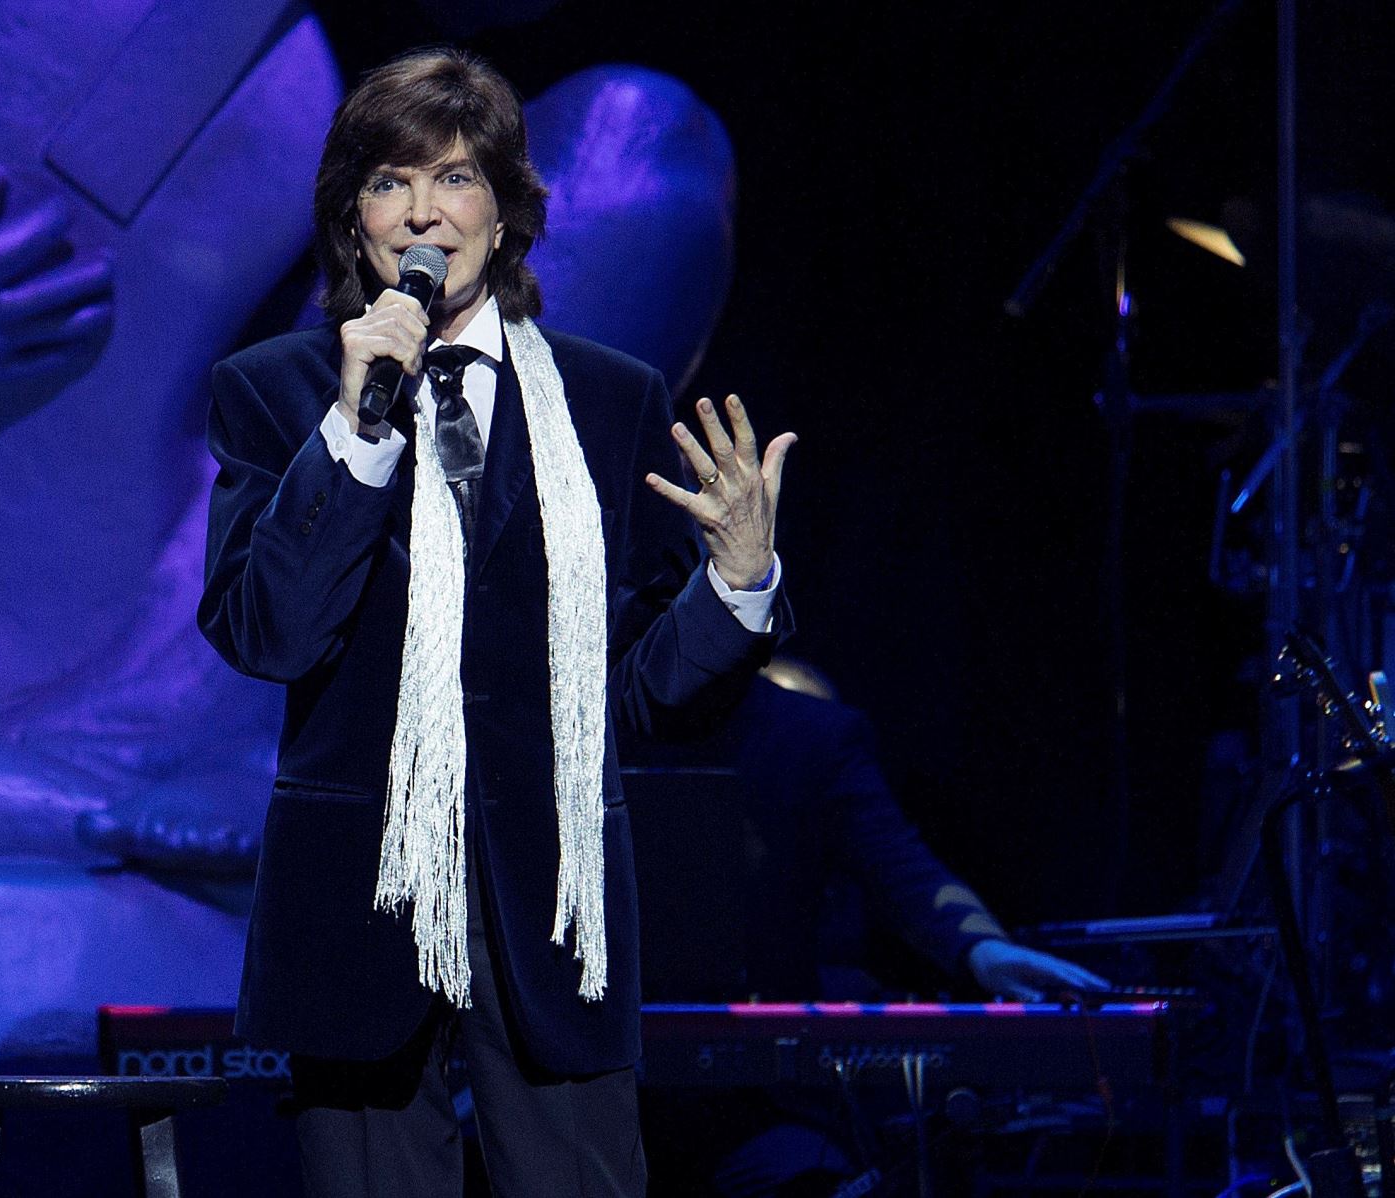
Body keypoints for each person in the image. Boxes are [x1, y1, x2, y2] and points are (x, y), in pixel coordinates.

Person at [197, 47, 796, 1197]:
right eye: (388, 182)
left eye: (456, 177)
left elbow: (642, 691)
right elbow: (267, 632)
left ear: (508, 211)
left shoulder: (610, 400)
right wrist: (358, 431)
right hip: (358, 905)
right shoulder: (277, 394)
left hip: (551, 912)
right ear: (351, 219)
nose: (423, 210)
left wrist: (737, 584)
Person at [625, 658, 1108, 1194]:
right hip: (596, 1086)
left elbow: (901, 866)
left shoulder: (809, 733)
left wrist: (981, 947)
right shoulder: (584, 714)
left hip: (760, 1102)